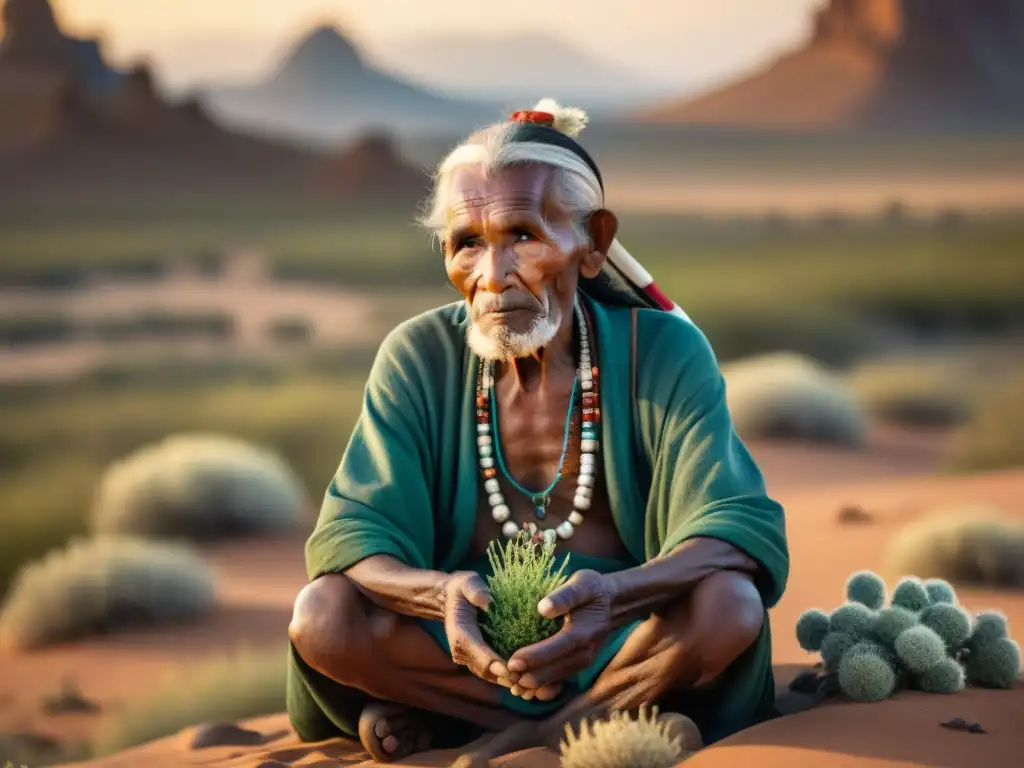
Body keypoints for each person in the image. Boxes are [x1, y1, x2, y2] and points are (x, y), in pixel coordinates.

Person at [286, 99, 789, 765]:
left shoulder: (665, 351)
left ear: (594, 244)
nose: (493, 279)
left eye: (523, 236)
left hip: (622, 642)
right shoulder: (416, 355)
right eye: (468, 243)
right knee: (323, 615)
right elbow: (352, 538)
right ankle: (551, 717)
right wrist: (441, 597)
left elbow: (734, 530)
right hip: (464, 650)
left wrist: (613, 598)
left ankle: (531, 733)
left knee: (729, 607)